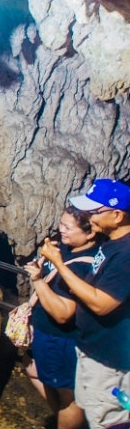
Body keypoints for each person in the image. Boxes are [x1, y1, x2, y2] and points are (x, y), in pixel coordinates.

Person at [40, 178, 130, 429]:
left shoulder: (126, 254)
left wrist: (58, 264)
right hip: (92, 350)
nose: (88, 215)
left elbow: (102, 304)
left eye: (94, 211)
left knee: (108, 422)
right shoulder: (112, 245)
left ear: (116, 215)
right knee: (90, 410)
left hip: (108, 360)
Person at [24, 206, 100, 429]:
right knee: (30, 367)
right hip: (47, 335)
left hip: (61, 339)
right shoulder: (64, 248)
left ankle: (69, 421)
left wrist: (38, 279)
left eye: (68, 227)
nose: (61, 230)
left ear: (90, 233)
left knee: (71, 397)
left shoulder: (83, 266)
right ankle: (64, 419)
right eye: (61, 224)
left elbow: (62, 314)